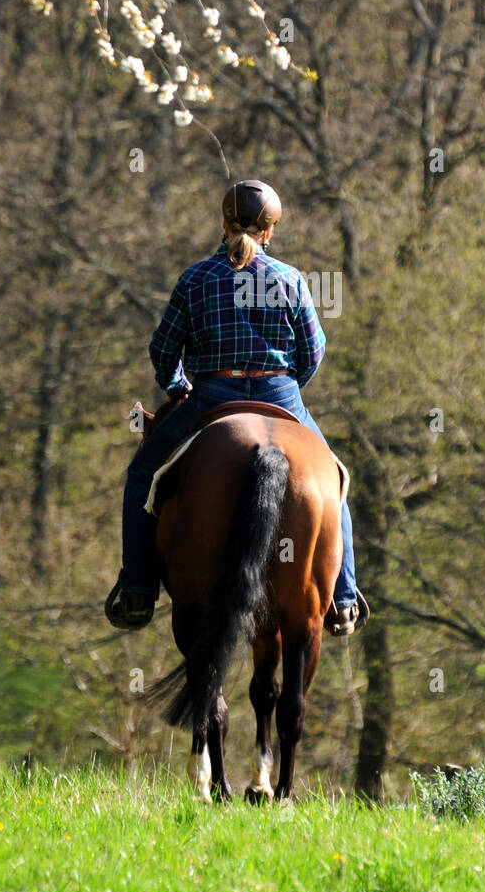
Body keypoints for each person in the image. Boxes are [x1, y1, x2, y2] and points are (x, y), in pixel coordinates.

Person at [104, 179, 370, 637]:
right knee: (335, 479)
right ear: (269, 232)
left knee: (142, 475)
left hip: (211, 397)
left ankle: (137, 587)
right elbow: (313, 353)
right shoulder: (289, 278)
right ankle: (343, 598)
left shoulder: (194, 279)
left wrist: (176, 388)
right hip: (280, 395)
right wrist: (285, 389)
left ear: (223, 223)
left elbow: (163, 351)